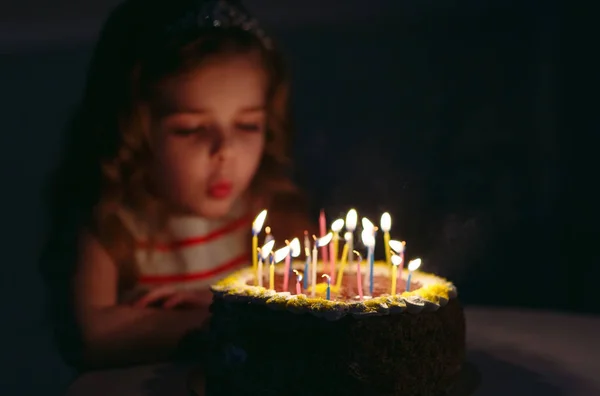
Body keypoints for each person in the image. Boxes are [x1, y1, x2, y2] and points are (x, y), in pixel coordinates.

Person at [40, 0, 313, 369]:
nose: (225, 151)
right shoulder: (111, 225)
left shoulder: (273, 212)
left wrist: (216, 311)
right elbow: (94, 337)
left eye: (247, 125)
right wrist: (235, 311)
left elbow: (314, 309)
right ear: (136, 129)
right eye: (191, 129)